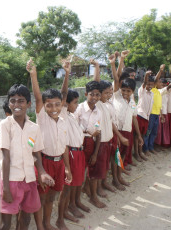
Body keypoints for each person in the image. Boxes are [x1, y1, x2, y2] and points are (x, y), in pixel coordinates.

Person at [0, 83, 54, 230]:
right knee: (6, 224)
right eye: (13, 100)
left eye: (21, 101)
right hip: (12, 180)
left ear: (28, 104)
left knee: (26, 219)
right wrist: (6, 189)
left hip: (29, 179)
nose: (16, 104)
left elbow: (35, 154)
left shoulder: (34, 128)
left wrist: (41, 172)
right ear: (8, 103)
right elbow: (5, 157)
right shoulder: (5, 125)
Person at [27, 59, 72, 230]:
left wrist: (67, 167)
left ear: (62, 104)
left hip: (59, 163)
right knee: (42, 197)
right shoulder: (42, 118)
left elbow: (64, 148)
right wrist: (34, 76)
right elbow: (38, 97)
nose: (54, 108)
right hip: (44, 163)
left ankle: (47, 223)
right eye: (49, 105)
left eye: (57, 104)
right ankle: (40, 226)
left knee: (52, 196)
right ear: (44, 107)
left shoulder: (62, 120)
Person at [91, 59, 129, 197]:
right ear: (99, 94)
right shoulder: (98, 104)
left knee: (108, 163)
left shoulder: (109, 103)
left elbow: (111, 122)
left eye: (110, 92)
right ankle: (97, 190)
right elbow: (96, 83)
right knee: (99, 167)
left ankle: (108, 181)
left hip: (110, 139)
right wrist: (96, 67)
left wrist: (117, 136)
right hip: (100, 142)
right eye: (106, 93)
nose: (109, 95)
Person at [110, 53, 144, 187]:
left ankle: (119, 175)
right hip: (117, 131)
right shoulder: (117, 96)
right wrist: (118, 61)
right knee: (116, 156)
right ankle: (115, 179)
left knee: (123, 154)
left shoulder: (132, 101)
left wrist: (139, 135)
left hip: (128, 131)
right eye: (123, 90)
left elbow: (134, 117)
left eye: (128, 91)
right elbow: (116, 79)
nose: (125, 93)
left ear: (132, 92)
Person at [74, 80, 103, 208]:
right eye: (92, 94)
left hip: (91, 142)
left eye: (97, 95)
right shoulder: (79, 109)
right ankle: (76, 201)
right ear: (86, 94)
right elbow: (74, 127)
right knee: (79, 173)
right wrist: (85, 130)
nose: (94, 97)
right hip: (79, 143)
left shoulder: (98, 112)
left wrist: (96, 153)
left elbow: (98, 132)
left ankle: (92, 196)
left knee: (92, 170)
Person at [61, 89, 89, 221]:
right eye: (75, 103)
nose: (77, 105)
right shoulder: (63, 116)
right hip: (71, 153)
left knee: (78, 181)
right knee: (69, 184)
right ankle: (67, 207)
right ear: (66, 104)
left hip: (79, 151)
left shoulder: (72, 116)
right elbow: (63, 93)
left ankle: (75, 202)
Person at [143, 65, 170, 155]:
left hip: (156, 115)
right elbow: (156, 79)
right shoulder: (153, 90)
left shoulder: (159, 92)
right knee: (148, 132)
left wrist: (161, 115)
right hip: (150, 115)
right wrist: (160, 70)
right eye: (158, 82)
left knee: (154, 133)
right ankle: (146, 149)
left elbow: (159, 105)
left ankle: (151, 147)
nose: (159, 83)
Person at [135, 71, 154, 161]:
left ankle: (140, 152)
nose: (149, 86)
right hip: (140, 116)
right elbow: (145, 83)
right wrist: (146, 75)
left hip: (147, 117)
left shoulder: (152, 94)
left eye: (151, 84)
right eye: (148, 84)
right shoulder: (141, 91)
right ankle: (137, 153)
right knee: (136, 136)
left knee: (142, 136)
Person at [155, 78, 170, 148]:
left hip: (165, 112)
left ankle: (163, 143)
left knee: (164, 129)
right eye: (161, 84)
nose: (162, 86)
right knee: (159, 130)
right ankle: (158, 144)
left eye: (164, 85)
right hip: (160, 112)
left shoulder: (167, 92)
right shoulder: (159, 91)